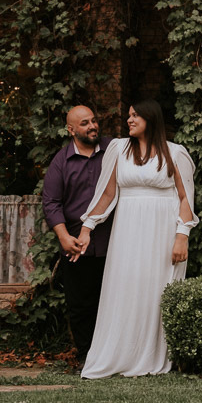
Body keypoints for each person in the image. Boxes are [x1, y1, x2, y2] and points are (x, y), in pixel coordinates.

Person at [74, 98, 198, 379]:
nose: (129, 120)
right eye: (129, 115)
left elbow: (184, 197)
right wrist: (87, 227)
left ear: (150, 120)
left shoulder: (174, 153)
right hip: (127, 232)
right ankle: (121, 354)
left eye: (135, 116)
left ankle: (154, 356)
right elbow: (106, 195)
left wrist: (182, 235)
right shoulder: (119, 149)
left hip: (162, 232)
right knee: (125, 287)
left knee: (156, 291)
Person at [42, 105, 113, 364]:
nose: (92, 126)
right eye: (84, 123)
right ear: (71, 129)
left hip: (114, 241)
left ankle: (113, 356)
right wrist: (62, 235)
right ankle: (87, 358)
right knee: (81, 305)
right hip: (76, 245)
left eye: (94, 120)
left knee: (115, 302)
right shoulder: (61, 161)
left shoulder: (114, 150)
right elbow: (51, 202)